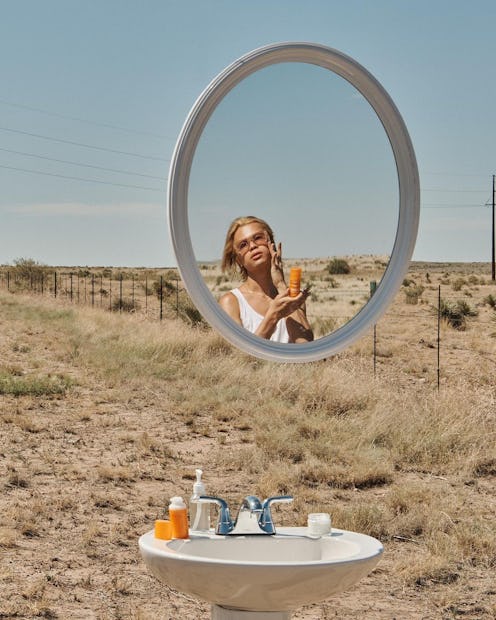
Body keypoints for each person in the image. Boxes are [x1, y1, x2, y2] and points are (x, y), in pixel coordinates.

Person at [219, 216, 313, 343]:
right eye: (243, 245)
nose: (252, 246)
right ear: (238, 260)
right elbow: (240, 356)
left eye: (258, 238)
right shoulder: (231, 302)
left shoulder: (294, 296)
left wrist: (281, 285)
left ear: (271, 244)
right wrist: (274, 315)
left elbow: (305, 346)